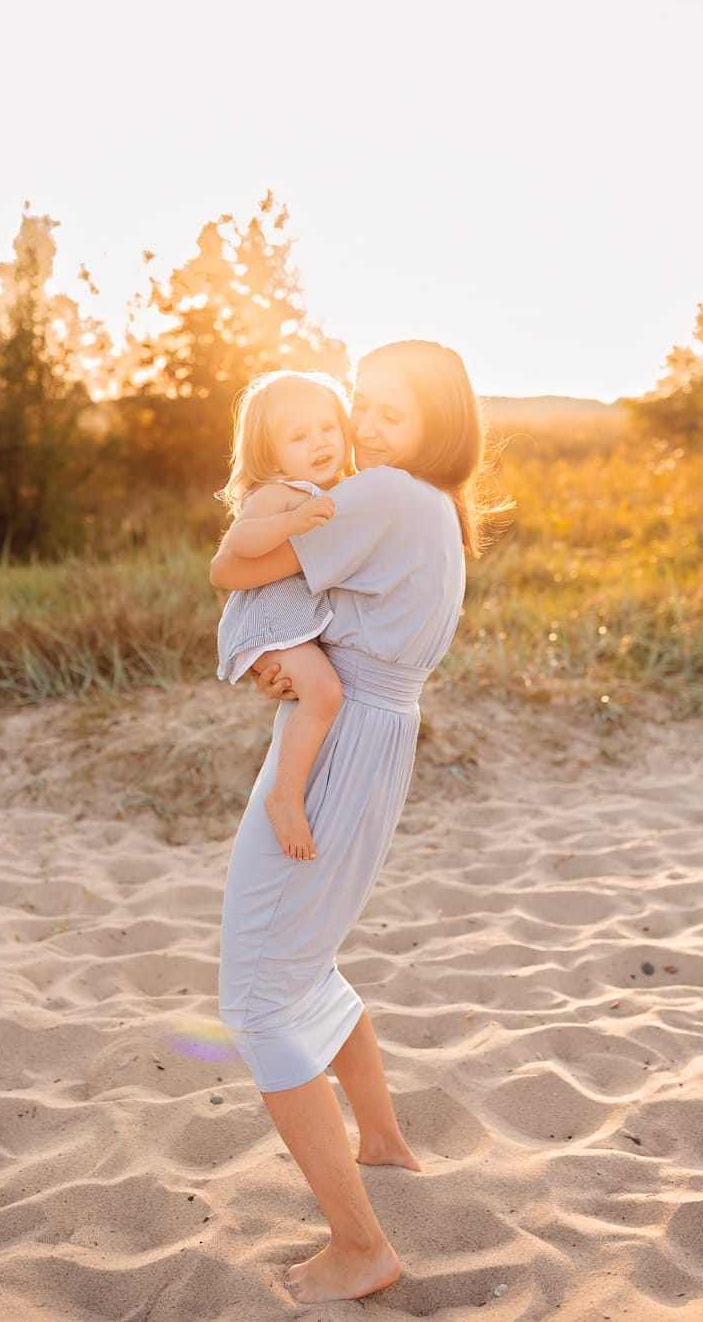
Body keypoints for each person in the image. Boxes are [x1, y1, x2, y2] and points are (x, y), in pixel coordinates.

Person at [211, 340, 500, 1305]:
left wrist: (277, 647)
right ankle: (382, 1141)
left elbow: (241, 561)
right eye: (358, 407)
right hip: (377, 737)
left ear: (437, 426)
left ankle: (359, 1243)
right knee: (307, 954)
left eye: (387, 414)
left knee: (257, 993)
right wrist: (295, 660)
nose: (364, 429)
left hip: (339, 747)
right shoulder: (435, 508)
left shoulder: (384, 497)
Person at [215, 370, 354, 861]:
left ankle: (294, 786)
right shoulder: (281, 492)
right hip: (271, 621)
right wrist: (290, 522)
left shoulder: (339, 489)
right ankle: (285, 795)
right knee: (324, 692)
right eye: (299, 436)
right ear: (272, 456)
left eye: (327, 428)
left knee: (318, 693)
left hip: (295, 618)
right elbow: (238, 544)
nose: (319, 442)